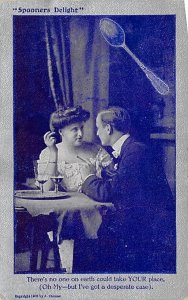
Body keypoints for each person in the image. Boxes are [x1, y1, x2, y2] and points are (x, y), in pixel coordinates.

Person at [81, 106, 176, 272]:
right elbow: (124, 184)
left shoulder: (135, 151)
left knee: (99, 240)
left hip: (149, 228)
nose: (97, 133)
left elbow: (108, 192)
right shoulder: (132, 147)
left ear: (108, 128)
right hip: (143, 221)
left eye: (98, 128)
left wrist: (88, 177)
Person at [37, 106, 113, 192]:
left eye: (81, 128)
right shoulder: (48, 153)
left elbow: (113, 184)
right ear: (61, 131)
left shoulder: (97, 150)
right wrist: (54, 153)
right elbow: (46, 189)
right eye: (74, 129)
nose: (80, 134)